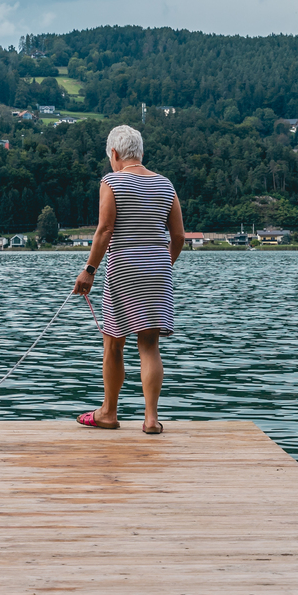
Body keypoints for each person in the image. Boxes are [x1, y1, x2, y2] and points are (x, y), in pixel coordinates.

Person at [73, 124, 185, 434]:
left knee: (113, 341)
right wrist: (163, 264)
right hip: (159, 268)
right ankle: (151, 419)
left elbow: (105, 230)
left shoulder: (111, 181)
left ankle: (108, 412)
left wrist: (90, 270)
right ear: (141, 152)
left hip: (124, 267)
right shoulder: (166, 185)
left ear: (115, 153)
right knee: (149, 343)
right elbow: (178, 236)